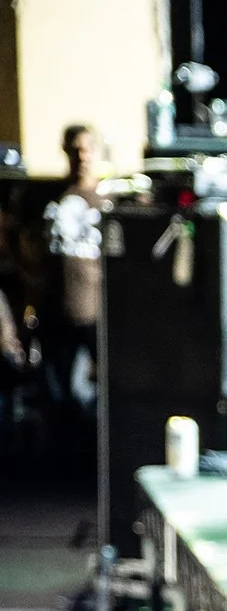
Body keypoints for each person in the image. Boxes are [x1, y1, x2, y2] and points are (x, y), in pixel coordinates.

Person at [41, 124, 104, 425]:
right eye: (75, 148)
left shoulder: (107, 199)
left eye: (87, 147)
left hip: (93, 314)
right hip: (55, 311)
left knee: (89, 393)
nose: (82, 155)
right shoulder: (51, 196)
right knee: (58, 395)